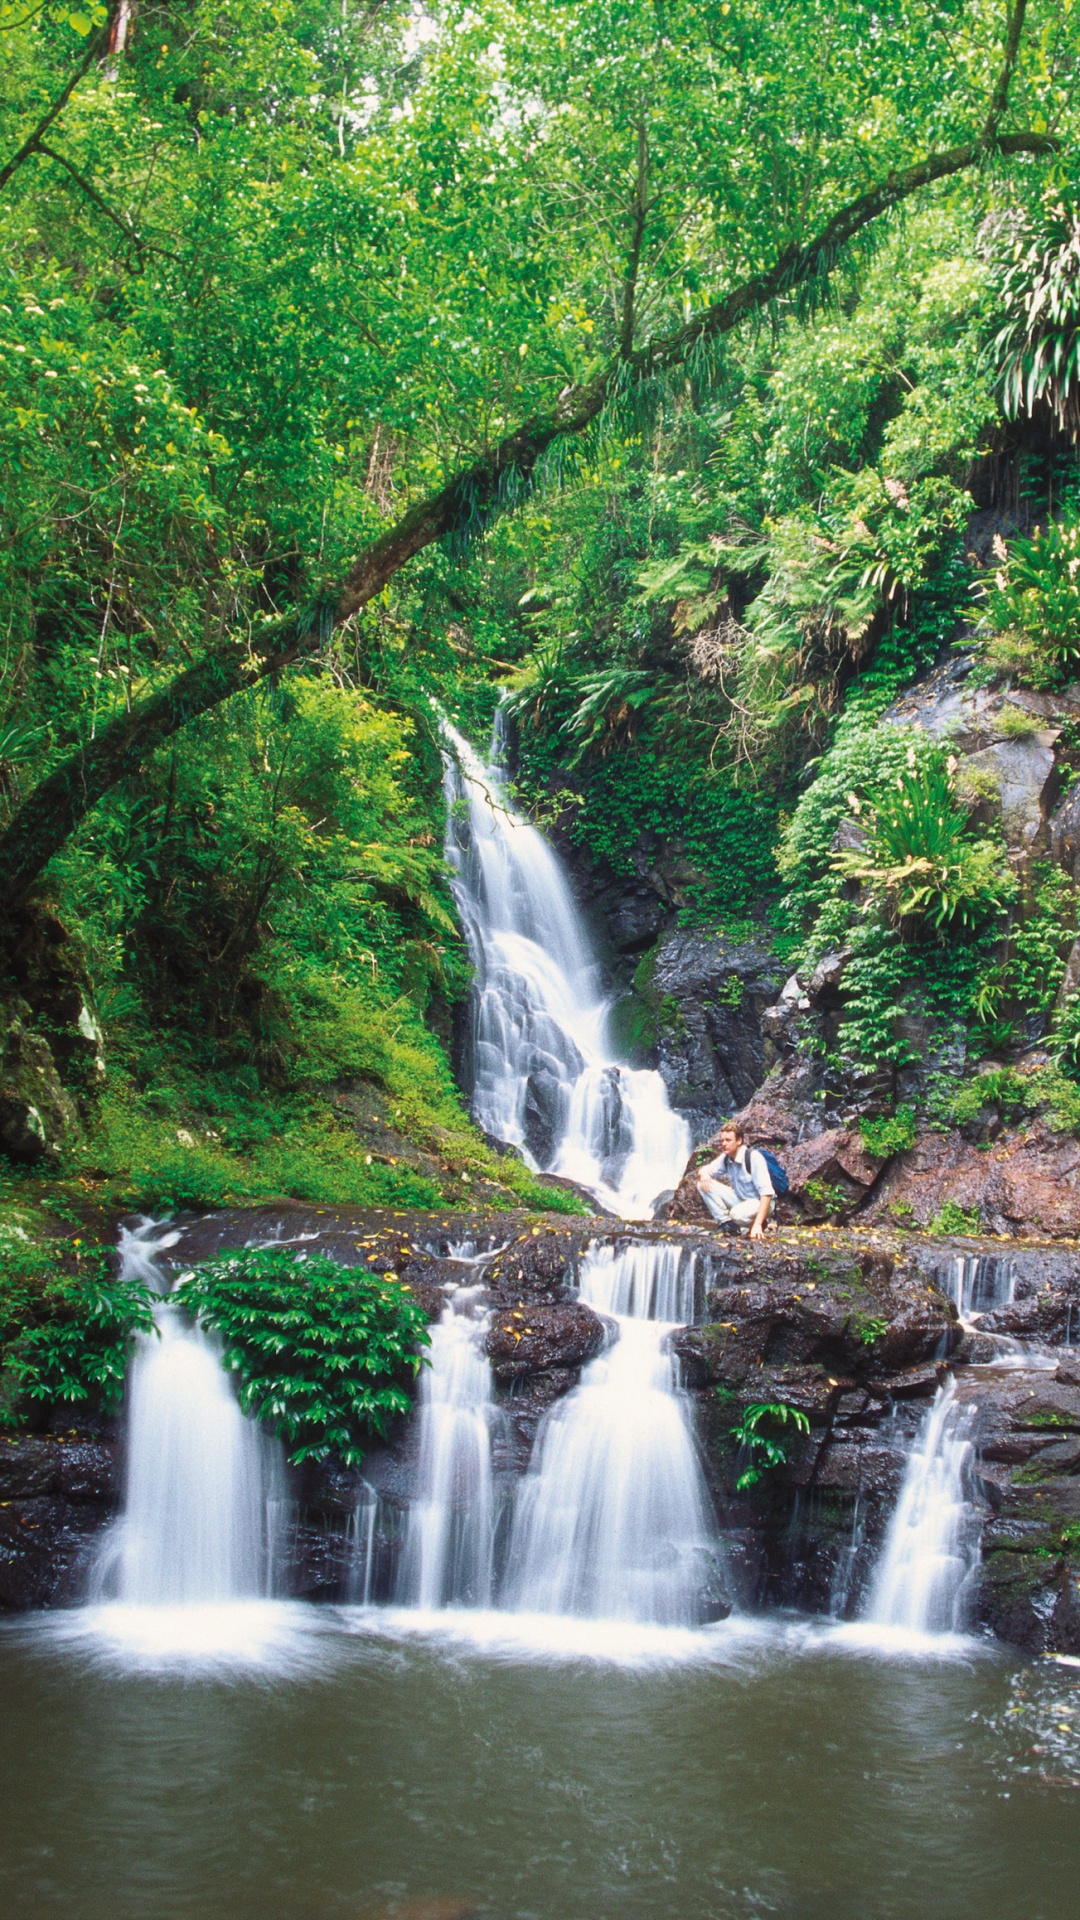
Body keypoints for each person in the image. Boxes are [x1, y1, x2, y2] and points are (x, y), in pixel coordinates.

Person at [696, 1121, 773, 1240]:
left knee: (736, 1214)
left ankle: (761, 1223)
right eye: (722, 1140)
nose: (724, 1144)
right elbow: (704, 1169)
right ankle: (726, 1224)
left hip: (761, 1203)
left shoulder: (753, 1158)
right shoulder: (726, 1158)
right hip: (741, 1200)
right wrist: (704, 1174)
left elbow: (766, 1194)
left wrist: (757, 1224)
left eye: (728, 1140)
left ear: (739, 1141)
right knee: (702, 1184)